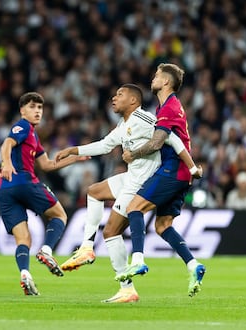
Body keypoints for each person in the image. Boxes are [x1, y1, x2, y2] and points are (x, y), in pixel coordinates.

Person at [55, 83, 201, 303]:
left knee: (111, 232)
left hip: (140, 184)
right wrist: (73, 150)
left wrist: (191, 167)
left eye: (119, 94)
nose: (114, 98)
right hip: (130, 178)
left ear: (133, 101)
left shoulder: (144, 119)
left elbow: (170, 137)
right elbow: (104, 145)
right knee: (93, 192)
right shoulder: (123, 124)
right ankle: (86, 247)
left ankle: (127, 288)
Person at [117, 63, 206, 298]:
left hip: (172, 171)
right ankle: (193, 265)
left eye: (157, 75)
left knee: (133, 207)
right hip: (181, 173)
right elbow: (177, 142)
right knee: (162, 226)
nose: (153, 78)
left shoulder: (169, 108)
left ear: (166, 82)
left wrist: (132, 154)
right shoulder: (169, 107)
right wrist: (192, 167)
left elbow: (157, 143)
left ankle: (137, 260)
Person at [0, 92, 88, 296]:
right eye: (32, 107)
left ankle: (25, 274)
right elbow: (6, 144)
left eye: (40, 108)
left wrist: (73, 159)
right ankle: (46, 250)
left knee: (24, 239)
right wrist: (8, 163)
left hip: (5, 190)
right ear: (22, 110)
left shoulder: (34, 136)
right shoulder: (22, 127)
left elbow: (47, 165)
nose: (37, 111)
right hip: (24, 183)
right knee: (60, 215)